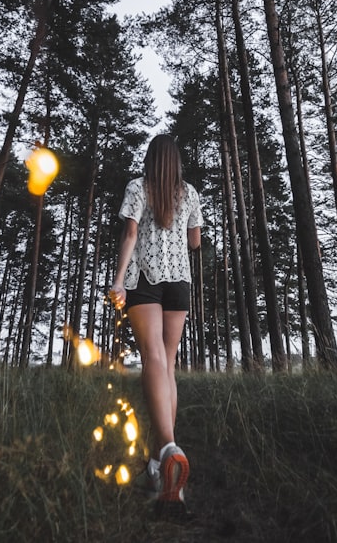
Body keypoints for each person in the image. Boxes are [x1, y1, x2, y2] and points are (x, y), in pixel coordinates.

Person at [109, 134, 202, 506]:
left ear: (151, 159)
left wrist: (118, 280)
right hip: (179, 281)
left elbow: (130, 233)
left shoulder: (138, 187)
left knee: (153, 359)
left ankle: (167, 448)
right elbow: (195, 242)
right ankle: (157, 463)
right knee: (168, 364)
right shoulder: (191, 193)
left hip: (144, 280)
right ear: (177, 162)